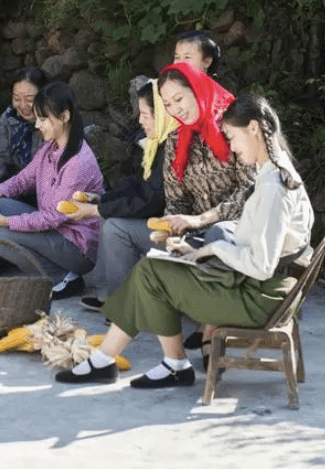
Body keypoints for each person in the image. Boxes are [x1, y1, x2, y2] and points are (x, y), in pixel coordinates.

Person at [55, 92, 314, 389]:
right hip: (261, 289)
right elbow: (255, 242)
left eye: (231, 137)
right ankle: (140, 362)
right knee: (155, 267)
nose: (231, 147)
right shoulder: (277, 173)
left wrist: (213, 247)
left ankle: (144, 363)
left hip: (257, 297)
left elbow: (261, 265)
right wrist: (196, 249)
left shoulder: (274, 185)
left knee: (151, 272)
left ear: (253, 129)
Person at [70, 32, 222, 306]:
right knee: (115, 219)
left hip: (206, 231)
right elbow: (148, 188)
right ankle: (123, 301)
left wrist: (99, 209)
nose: (140, 121)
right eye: (177, 58)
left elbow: (154, 198)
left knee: (115, 225)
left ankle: (123, 305)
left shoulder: (209, 129)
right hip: (181, 224)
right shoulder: (169, 140)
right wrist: (103, 200)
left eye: (188, 58)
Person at [0, 81, 103, 289]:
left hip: (77, 246)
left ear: (65, 117)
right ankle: (60, 272)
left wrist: (5, 222)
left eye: (43, 119)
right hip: (56, 229)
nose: (36, 125)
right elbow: (24, 179)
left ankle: (62, 277)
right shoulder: (50, 146)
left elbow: (51, 218)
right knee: (1, 204)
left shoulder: (77, 162)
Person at [0, 67, 49, 191]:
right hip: (16, 187)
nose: (22, 106)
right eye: (17, 99)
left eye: (29, 100)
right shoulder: (10, 118)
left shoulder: (54, 124)